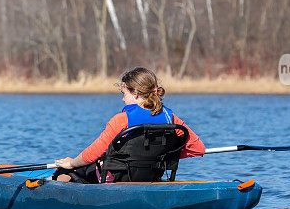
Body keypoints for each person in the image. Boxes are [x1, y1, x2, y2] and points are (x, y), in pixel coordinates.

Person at [53, 66, 205, 183]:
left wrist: (71, 163)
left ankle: (56, 191)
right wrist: (163, 155)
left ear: (136, 94)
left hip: (116, 180)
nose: (123, 99)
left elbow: (91, 154)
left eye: (124, 94)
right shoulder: (171, 118)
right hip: (149, 178)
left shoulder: (122, 120)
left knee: (69, 170)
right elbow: (198, 148)